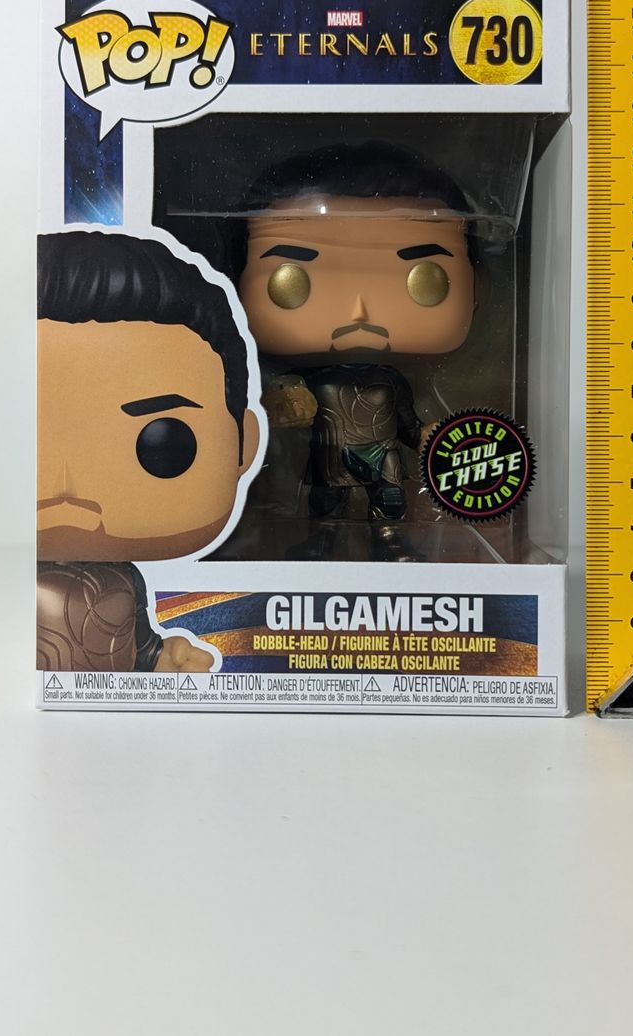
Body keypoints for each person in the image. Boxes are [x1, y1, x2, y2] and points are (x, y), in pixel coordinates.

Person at [235, 141, 475, 559]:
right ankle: (322, 541)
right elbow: (284, 417)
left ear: (477, 287)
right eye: (291, 280)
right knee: (327, 503)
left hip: (382, 457)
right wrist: (275, 411)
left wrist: (427, 438)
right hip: (330, 456)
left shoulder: (390, 381)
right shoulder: (310, 382)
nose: (358, 311)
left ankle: (390, 541)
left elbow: (406, 422)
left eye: (424, 279)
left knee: (388, 502)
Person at [37, 229, 260, 671]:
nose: (68, 491)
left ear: (243, 446)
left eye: (163, 442)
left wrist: (162, 657)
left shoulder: (123, 583)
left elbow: (137, 642)